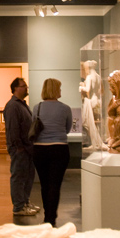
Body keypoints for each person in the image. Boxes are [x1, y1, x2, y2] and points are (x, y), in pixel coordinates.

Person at [32, 78, 73, 227]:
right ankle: (51, 218)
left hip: (40, 149)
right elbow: (67, 129)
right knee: (55, 185)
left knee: (44, 184)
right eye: (59, 89)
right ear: (56, 90)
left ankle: (46, 216)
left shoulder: (37, 108)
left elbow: (34, 126)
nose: (61, 91)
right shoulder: (65, 108)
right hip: (59, 148)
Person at [3, 77, 38, 216]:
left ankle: (25, 202)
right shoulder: (13, 106)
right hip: (20, 149)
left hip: (28, 148)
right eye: (23, 86)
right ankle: (18, 207)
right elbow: (13, 129)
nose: (26, 88)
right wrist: (19, 147)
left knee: (28, 176)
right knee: (19, 176)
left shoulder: (23, 105)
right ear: (16, 88)